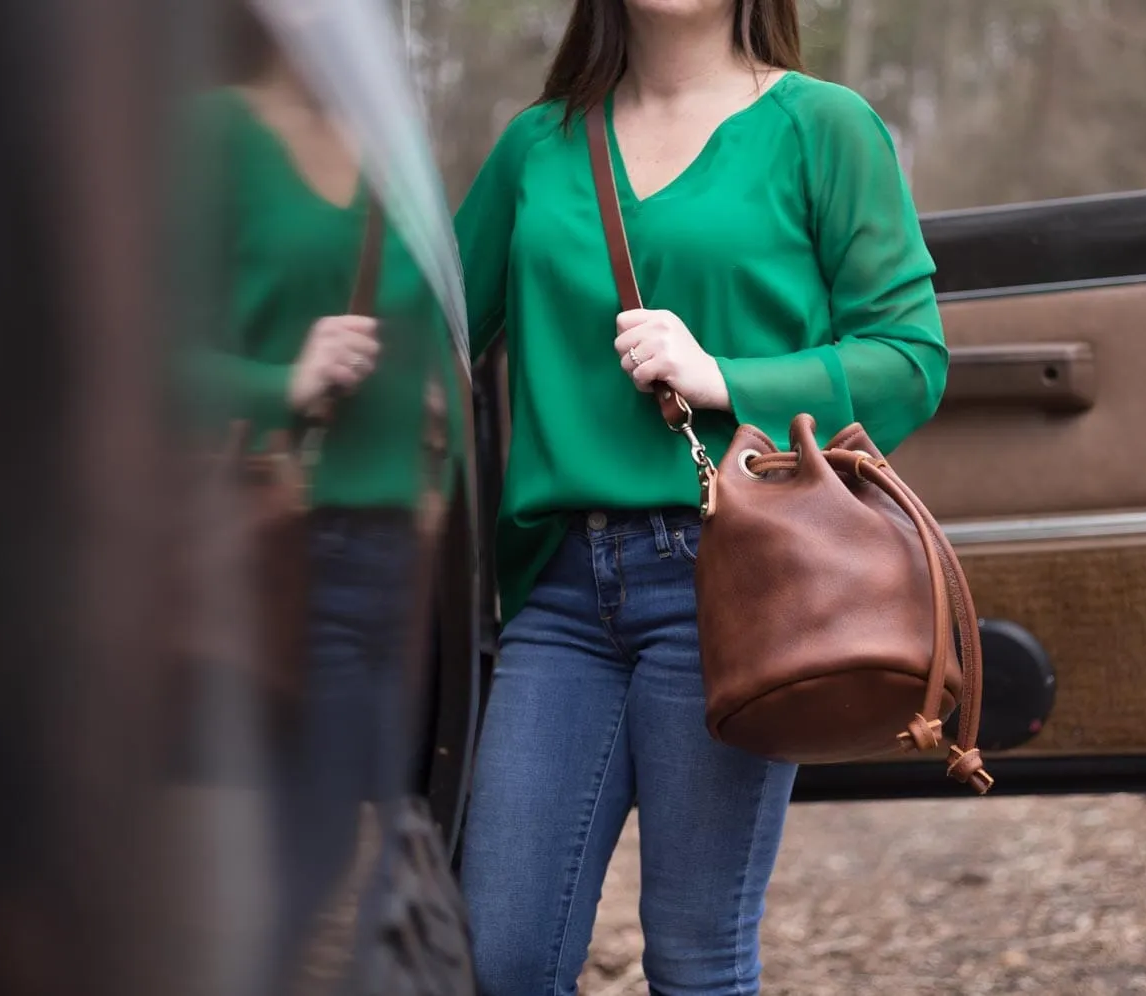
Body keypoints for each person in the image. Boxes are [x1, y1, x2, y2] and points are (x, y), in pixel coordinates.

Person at [452, 0, 948, 991]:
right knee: (495, 957)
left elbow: (910, 358)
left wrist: (725, 376)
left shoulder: (824, 126)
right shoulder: (536, 148)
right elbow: (428, 343)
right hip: (556, 596)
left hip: (737, 583)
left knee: (695, 955)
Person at [174, 3, 464, 991]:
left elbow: (452, 343)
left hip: (414, 567)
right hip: (280, 557)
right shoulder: (215, 135)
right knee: (319, 859)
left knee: (396, 851)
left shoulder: (400, 144)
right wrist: (278, 385)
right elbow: (134, 360)